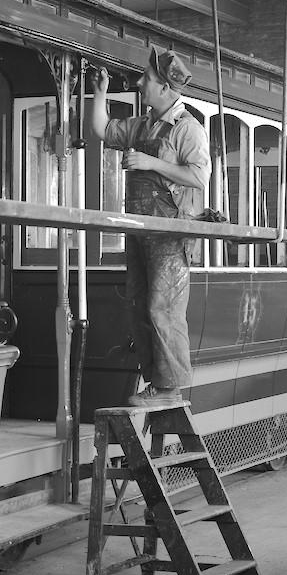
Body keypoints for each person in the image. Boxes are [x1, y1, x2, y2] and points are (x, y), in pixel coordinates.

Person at [89, 47, 210, 407]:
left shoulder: (188, 129)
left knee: (162, 307)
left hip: (171, 233)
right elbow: (101, 130)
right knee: (139, 305)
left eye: (147, 79)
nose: (140, 83)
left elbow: (199, 177)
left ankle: (169, 388)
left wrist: (150, 162)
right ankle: (155, 381)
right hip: (141, 230)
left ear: (165, 89)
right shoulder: (142, 124)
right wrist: (99, 92)